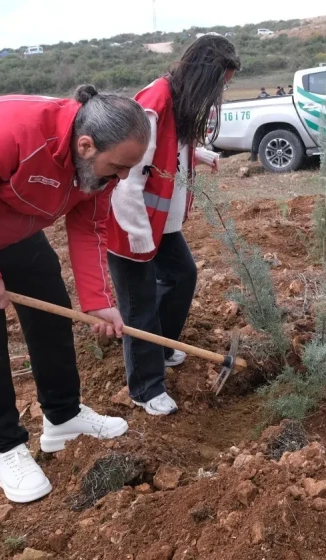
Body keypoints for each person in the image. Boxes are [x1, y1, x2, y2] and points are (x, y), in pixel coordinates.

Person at [0, 87, 152, 503]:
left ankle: (63, 417)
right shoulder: (9, 129)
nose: (124, 177)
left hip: (16, 229)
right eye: (119, 166)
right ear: (85, 145)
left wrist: (96, 300)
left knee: (53, 317)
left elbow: (88, 227)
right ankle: (6, 449)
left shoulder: (99, 169)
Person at [108, 36, 240, 416]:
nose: (221, 92)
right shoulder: (153, 104)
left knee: (182, 275)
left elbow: (166, 147)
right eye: (221, 84)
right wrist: (138, 237)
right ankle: (145, 388)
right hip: (131, 223)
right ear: (204, 76)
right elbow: (128, 178)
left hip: (158, 223)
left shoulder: (177, 101)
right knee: (139, 304)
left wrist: (196, 154)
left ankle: (160, 346)